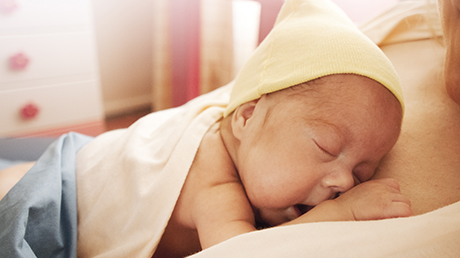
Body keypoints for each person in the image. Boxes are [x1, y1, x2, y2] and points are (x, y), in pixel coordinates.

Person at [0, 0, 412, 257]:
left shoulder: (248, 140)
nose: (344, 181)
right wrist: (344, 213)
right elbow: (242, 253)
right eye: (326, 146)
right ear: (246, 118)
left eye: (363, 173)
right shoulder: (215, 187)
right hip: (61, 201)